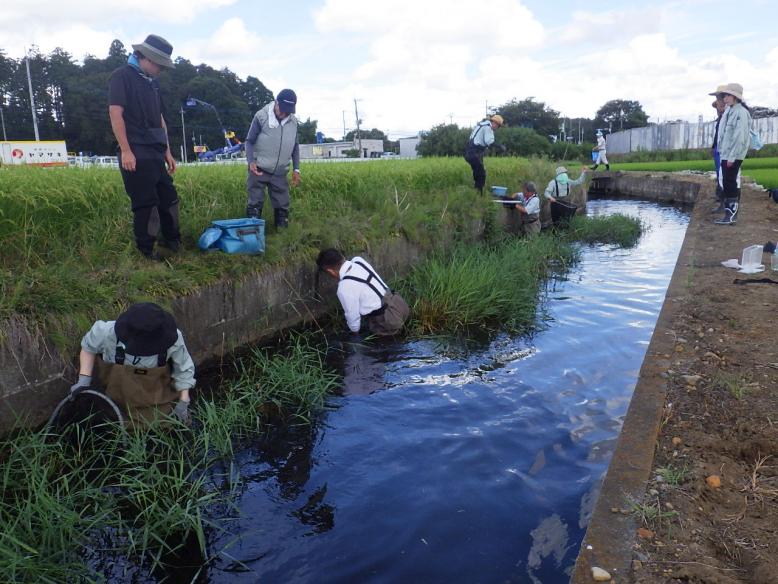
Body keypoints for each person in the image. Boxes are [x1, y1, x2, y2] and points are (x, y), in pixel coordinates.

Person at [109, 35, 181, 261]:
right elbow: (115, 114)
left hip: (156, 149)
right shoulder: (122, 76)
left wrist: (167, 151)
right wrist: (126, 150)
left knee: (169, 198)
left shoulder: (152, 82)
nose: (161, 70)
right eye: (160, 65)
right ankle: (147, 252)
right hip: (135, 150)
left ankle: (173, 241)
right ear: (147, 58)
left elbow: (160, 118)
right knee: (146, 203)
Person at [69, 303, 196, 425]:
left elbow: (184, 370)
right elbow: (88, 348)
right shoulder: (105, 332)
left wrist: (183, 402)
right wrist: (83, 380)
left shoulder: (172, 337)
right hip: (115, 407)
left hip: (159, 408)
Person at [316, 249, 410, 336]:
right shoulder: (358, 261)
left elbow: (353, 318)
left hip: (387, 318)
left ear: (330, 271)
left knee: (386, 346)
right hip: (400, 304)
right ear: (342, 257)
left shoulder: (344, 287)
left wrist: (355, 335)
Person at [245, 89, 301, 228]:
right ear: (276, 102)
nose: (283, 114)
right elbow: (249, 141)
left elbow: (295, 146)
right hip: (259, 169)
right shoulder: (261, 116)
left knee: (282, 206)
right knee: (255, 204)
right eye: (282, 109)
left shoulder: (293, 122)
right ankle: (253, 234)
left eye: (287, 111)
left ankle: (281, 235)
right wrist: (251, 161)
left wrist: (296, 169)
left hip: (280, 172)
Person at [714, 83, 752, 226]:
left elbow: (739, 137)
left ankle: (731, 216)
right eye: (725, 95)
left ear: (735, 97)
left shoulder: (740, 112)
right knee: (727, 182)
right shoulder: (730, 110)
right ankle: (729, 215)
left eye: (728, 95)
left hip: (733, 154)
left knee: (729, 182)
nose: (725, 98)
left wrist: (732, 157)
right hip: (726, 153)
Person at [464, 114, 505, 194]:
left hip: (470, 152)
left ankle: (477, 193)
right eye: (498, 126)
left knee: (478, 172)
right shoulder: (488, 127)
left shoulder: (482, 125)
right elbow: (489, 142)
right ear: (495, 123)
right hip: (474, 153)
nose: (497, 128)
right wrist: (500, 146)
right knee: (481, 173)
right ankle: (479, 194)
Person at [708, 85, 728, 212]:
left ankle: (724, 203)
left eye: (719, 97)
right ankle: (721, 199)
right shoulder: (720, 118)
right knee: (719, 174)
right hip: (718, 149)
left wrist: (721, 105)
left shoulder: (728, 115)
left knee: (723, 176)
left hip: (723, 150)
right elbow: (717, 135)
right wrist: (713, 147)